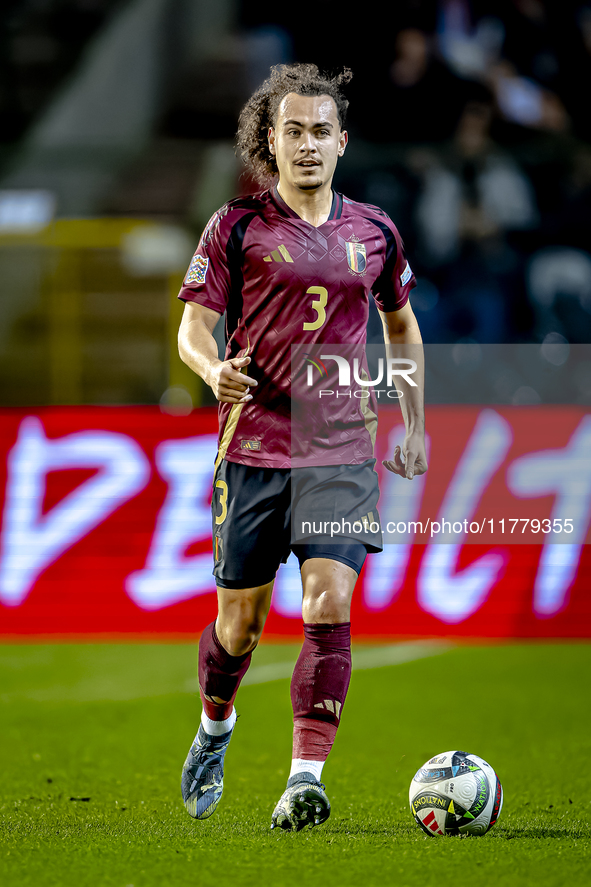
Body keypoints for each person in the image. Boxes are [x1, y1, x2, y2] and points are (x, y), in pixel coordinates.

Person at [177, 63, 427, 832]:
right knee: (239, 628)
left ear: (341, 142)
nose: (308, 144)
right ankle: (215, 727)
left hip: (340, 448)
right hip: (253, 448)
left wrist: (414, 421)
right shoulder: (236, 226)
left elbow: (402, 328)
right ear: (271, 142)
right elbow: (191, 326)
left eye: (321, 131)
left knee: (327, 602)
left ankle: (304, 778)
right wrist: (210, 367)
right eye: (293, 132)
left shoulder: (375, 232)